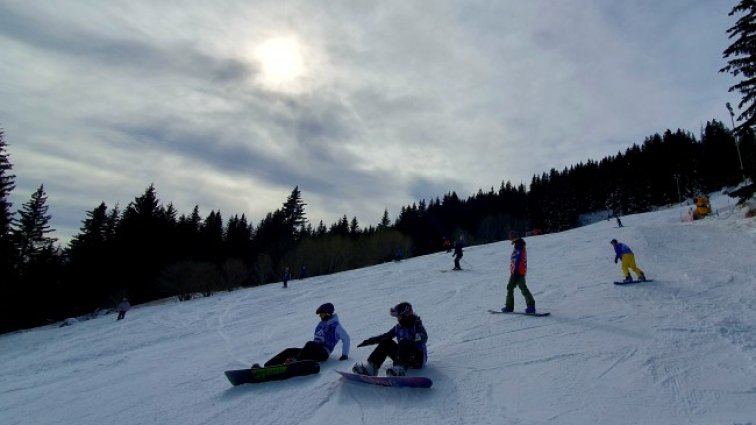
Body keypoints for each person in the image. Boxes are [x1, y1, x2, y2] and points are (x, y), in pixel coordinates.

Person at [253, 302, 350, 368]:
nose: (320, 316)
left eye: (322, 314)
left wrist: (345, 355)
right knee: (289, 351)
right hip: (313, 350)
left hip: (323, 353)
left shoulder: (336, 326)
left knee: (310, 344)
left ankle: (294, 362)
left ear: (328, 314)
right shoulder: (321, 324)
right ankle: (266, 367)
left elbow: (346, 339)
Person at [352, 302, 428, 376]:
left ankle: (399, 370)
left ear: (406, 315)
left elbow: (424, 336)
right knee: (386, 342)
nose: (398, 319)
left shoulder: (416, 324)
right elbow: (385, 336)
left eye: (399, 316)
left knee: (404, 342)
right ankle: (371, 368)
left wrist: (418, 337)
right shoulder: (398, 327)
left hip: (417, 359)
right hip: (404, 357)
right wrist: (368, 341)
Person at [502, 237, 536, 314]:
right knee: (510, 287)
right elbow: (514, 260)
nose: (512, 241)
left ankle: (531, 306)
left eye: (512, 239)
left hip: (519, 272)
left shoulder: (520, 246)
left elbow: (520, 260)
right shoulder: (516, 246)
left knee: (522, 286)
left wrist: (517, 272)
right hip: (514, 272)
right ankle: (509, 306)